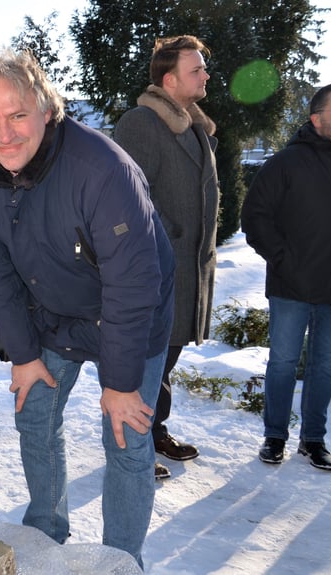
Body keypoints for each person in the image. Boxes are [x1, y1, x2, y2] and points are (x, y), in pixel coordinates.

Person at [0, 50, 174, 568]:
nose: (4, 134)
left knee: (126, 436)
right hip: (52, 311)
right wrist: (24, 353)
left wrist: (121, 384)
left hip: (130, 316)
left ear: (47, 110)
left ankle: (119, 560)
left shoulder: (101, 169)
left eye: (17, 116)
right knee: (34, 416)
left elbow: (132, 284)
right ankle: (44, 536)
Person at [241, 82, 331, 471]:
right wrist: (285, 261)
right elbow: (255, 219)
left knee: (324, 365)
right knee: (283, 363)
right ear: (317, 118)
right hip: (291, 286)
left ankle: (313, 440)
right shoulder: (285, 163)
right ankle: (275, 436)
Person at [114, 35, 219, 480]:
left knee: (166, 357)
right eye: (196, 70)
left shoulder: (194, 126)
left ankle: (154, 429)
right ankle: (130, 449)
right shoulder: (142, 123)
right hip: (157, 267)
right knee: (146, 362)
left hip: (190, 266)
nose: (206, 75)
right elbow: (125, 198)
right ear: (170, 79)